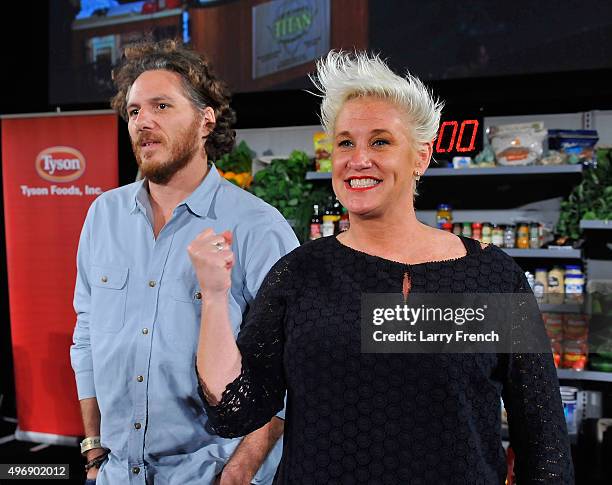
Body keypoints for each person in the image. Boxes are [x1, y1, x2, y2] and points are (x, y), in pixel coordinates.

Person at [193, 51, 574, 484]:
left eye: (380, 141)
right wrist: (215, 295)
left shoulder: (491, 277)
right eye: (344, 143)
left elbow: (544, 446)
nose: (358, 159)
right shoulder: (299, 275)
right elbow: (234, 409)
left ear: (421, 156)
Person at [70, 40, 299, 485]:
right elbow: (86, 336)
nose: (143, 122)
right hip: (117, 473)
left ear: (205, 120)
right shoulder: (104, 215)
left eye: (161, 106)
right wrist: (93, 449)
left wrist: (240, 472)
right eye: (134, 112)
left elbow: (291, 369)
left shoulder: (258, 226)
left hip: (211, 473)